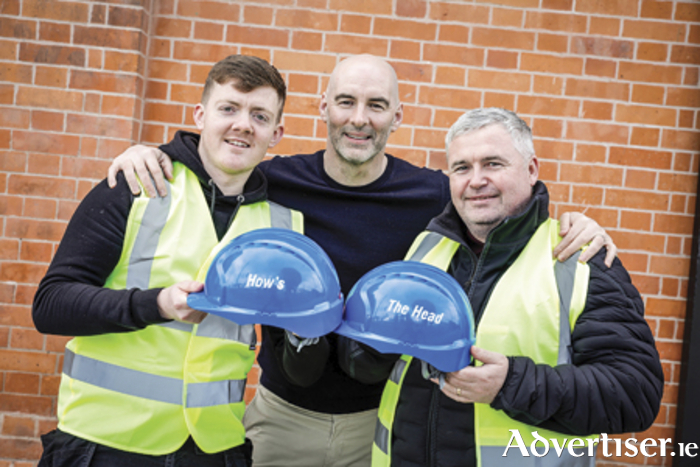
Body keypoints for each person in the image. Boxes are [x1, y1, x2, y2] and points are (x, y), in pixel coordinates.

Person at [106, 55, 618, 467]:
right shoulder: (276, 181)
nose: (359, 118)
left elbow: (503, 206)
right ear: (323, 106)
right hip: (282, 417)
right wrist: (153, 152)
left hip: (378, 426)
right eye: (346, 101)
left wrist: (575, 222)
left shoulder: (437, 195)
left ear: (397, 115)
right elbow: (218, 161)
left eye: (377, 105)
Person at [345, 108, 664, 467]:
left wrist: (512, 383)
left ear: (531, 170)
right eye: (462, 168)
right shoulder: (426, 248)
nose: (476, 180)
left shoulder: (580, 259)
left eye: (493, 164)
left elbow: (636, 393)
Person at [31, 54, 303, 467]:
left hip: (213, 448)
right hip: (105, 445)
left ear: (276, 132)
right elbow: (50, 306)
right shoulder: (137, 183)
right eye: (228, 108)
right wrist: (156, 305)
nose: (243, 124)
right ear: (200, 114)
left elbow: (290, 356)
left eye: (259, 116)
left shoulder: (283, 228)